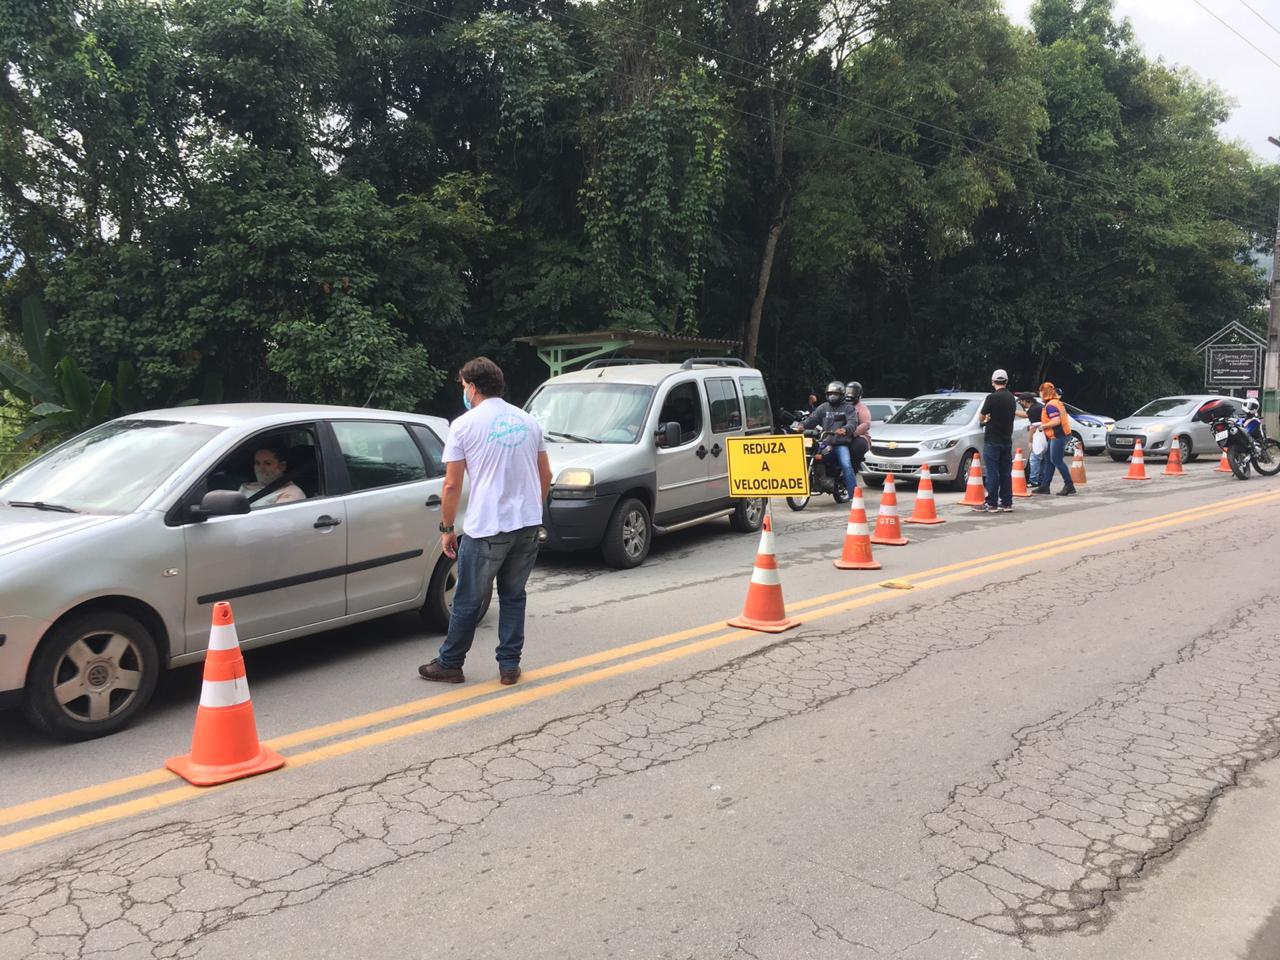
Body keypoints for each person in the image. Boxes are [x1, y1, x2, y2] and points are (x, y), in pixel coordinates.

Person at [419, 357, 553, 687]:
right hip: (526, 525)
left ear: (474, 388)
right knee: (513, 595)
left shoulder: (464, 425)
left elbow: (451, 484)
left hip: (488, 527)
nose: (464, 392)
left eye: (464, 386)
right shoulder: (527, 421)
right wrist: (531, 511)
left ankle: (451, 663)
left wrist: (446, 528)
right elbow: (545, 475)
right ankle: (509, 665)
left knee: (467, 598)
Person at [796, 381, 867, 495]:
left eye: (835, 394)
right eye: (830, 393)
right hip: (826, 441)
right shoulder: (823, 407)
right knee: (810, 456)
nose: (832, 396)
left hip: (841, 443)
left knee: (846, 465)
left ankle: (854, 494)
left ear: (842, 395)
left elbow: (852, 423)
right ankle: (817, 480)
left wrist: (844, 429)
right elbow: (812, 419)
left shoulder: (848, 408)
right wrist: (801, 426)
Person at [975, 370, 1023, 513]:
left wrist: (987, 419)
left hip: (992, 440)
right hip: (1006, 439)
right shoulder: (1011, 398)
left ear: (992, 382)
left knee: (992, 473)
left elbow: (981, 417)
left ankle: (992, 503)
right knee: (1005, 473)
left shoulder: (991, 398)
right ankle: (1007, 503)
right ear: (1006, 382)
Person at [236, 440, 306, 508]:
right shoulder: (248, 486)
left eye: (268, 463)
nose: (261, 469)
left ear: (282, 466)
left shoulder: (291, 494)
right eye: (257, 463)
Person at [1036, 382, 1076, 496]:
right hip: (1058, 434)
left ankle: (1069, 485)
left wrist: (1042, 426)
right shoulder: (1055, 402)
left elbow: (1056, 421)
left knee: (1056, 460)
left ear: (1045, 392)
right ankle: (1045, 486)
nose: (1039, 394)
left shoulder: (1051, 405)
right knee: (1049, 459)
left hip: (1058, 435)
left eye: (1041, 391)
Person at [1018, 392, 1046, 487]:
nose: (1021, 403)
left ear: (1026, 401)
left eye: (1021, 401)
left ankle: (1033, 481)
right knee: (1043, 459)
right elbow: (1027, 414)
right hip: (1047, 435)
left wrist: (1030, 442)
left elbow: (1033, 428)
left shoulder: (1034, 410)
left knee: (1034, 458)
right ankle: (1041, 480)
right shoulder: (1038, 407)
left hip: (1040, 435)